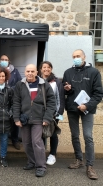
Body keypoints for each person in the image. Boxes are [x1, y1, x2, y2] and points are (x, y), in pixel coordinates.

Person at [62, 49, 103, 180]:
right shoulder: (68, 72)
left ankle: (90, 166)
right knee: (75, 135)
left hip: (87, 109)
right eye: (74, 56)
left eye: (78, 56)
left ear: (84, 57)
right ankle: (78, 159)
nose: (76, 58)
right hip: (72, 109)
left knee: (87, 136)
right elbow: (66, 91)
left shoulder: (94, 72)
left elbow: (98, 94)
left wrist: (87, 105)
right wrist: (68, 89)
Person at [13, 64, 55, 177]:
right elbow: (16, 102)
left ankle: (41, 166)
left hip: (39, 119)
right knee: (26, 142)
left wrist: (47, 118)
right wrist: (16, 118)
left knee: (37, 142)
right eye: (28, 71)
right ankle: (32, 162)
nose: (30, 73)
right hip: (25, 119)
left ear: (37, 72)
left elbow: (52, 102)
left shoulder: (44, 84)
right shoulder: (20, 84)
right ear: (25, 72)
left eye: (32, 71)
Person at [38, 61, 65, 165]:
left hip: (53, 114)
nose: (46, 69)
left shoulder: (56, 82)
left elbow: (60, 99)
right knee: (39, 134)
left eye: (48, 67)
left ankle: (52, 154)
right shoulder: (37, 80)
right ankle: (41, 154)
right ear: (40, 69)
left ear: (51, 69)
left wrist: (58, 113)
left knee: (53, 134)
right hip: (39, 113)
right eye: (44, 67)